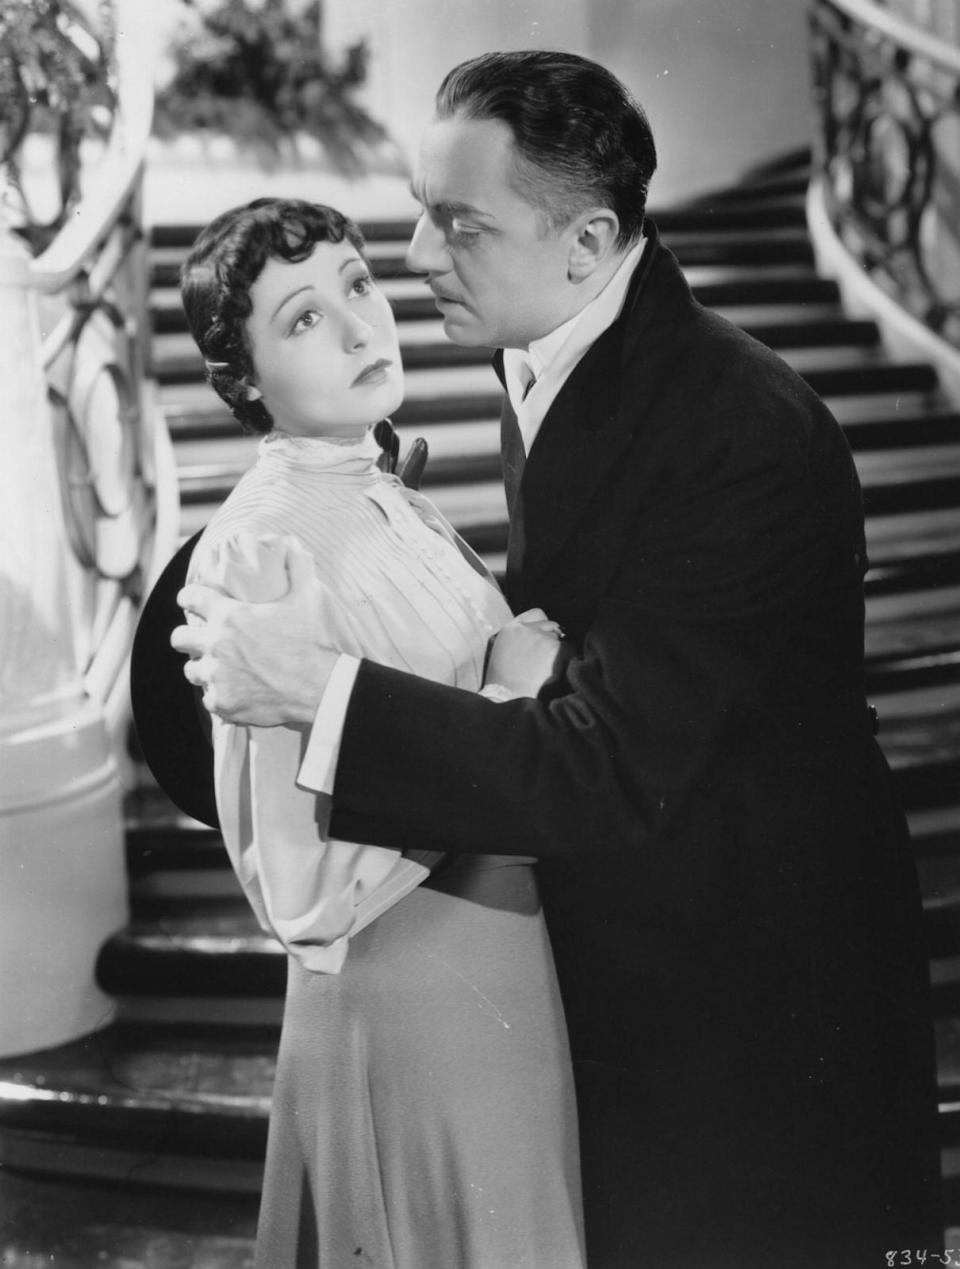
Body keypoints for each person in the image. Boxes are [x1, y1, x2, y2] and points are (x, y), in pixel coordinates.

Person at [172, 53, 943, 1269]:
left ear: (585, 242)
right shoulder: (548, 344)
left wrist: (322, 691)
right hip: (617, 953)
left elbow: (605, 766)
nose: (420, 256)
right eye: (423, 210)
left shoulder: (737, 432)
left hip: (749, 991)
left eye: (459, 225)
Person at [174, 197, 585, 1269]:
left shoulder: (385, 489)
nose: (363, 328)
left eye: (358, 285)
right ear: (246, 379)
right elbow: (303, 887)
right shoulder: (260, 549)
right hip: (408, 988)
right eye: (304, 318)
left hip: (500, 961)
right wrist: (504, 696)